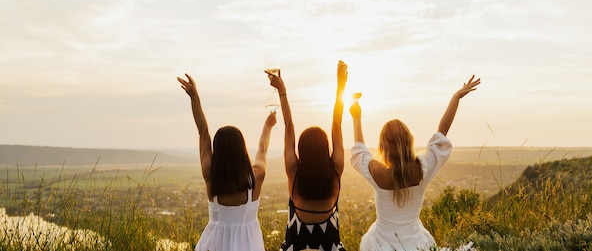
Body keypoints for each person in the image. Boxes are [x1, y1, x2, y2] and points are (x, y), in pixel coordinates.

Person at [350, 75, 481, 251]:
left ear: (383, 146)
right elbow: (442, 131)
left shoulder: (376, 171)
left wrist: (356, 118)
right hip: (416, 245)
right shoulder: (422, 168)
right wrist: (456, 97)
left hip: (381, 246)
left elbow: (360, 149)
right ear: (409, 140)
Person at [177, 73, 277, 251]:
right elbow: (262, 148)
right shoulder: (255, 179)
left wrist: (195, 98)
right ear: (242, 150)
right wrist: (268, 125)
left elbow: (203, 132)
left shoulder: (211, 176)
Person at [266, 61, 348, 251]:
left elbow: (289, 125)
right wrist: (341, 86)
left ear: (301, 150)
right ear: (325, 149)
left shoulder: (293, 172)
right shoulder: (336, 171)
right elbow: (337, 124)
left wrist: (282, 90)